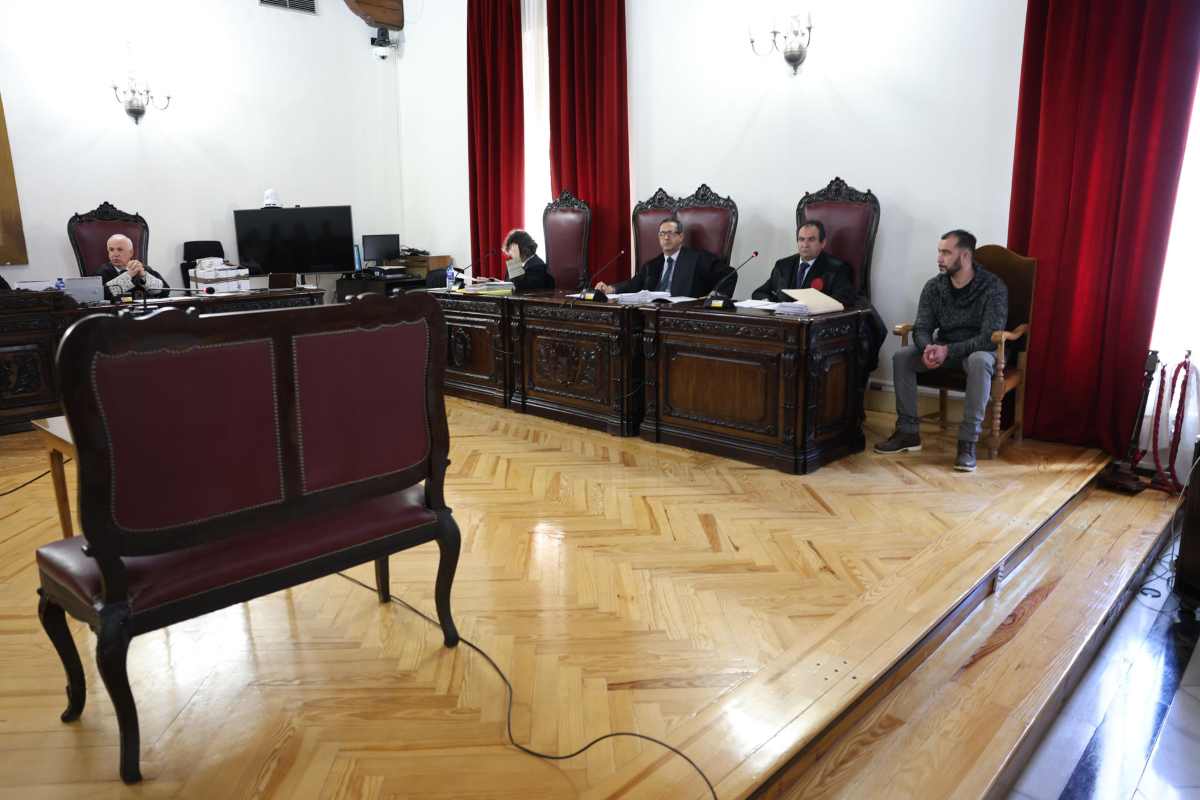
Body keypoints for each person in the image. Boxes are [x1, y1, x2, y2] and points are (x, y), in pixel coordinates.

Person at [874, 229, 1008, 472]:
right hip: (944, 349)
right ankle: (908, 432)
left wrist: (948, 350)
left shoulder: (993, 287)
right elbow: (922, 327)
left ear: (965, 256)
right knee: (903, 356)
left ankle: (967, 442)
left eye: (946, 252)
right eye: (939, 251)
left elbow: (989, 338)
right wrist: (928, 348)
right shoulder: (934, 286)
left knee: (979, 360)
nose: (939, 258)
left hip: (977, 351)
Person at [595, 216, 732, 297]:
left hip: (681, 316)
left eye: (671, 233)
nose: (666, 237)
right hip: (651, 314)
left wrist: (717, 295)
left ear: (681, 237)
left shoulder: (697, 259)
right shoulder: (652, 265)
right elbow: (633, 284)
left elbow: (729, 273)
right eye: (662, 234)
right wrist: (610, 289)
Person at [751, 220, 856, 306]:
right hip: (782, 323)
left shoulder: (837, 268)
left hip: (815, 325)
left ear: (823, 243)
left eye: (811, 240)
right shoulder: (783, 265)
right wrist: (771, 304)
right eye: (801, 239)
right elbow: (759, 293)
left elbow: (844, 299)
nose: (805, 245)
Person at [99, 234, 170, 301]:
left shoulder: (143, 268)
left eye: (120, 249)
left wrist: (144, 277)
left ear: (131, 252)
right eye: (111, 250)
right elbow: (99, 296)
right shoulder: (102, 272)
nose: (115, 254)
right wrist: (128, 276)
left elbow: (165, 292)